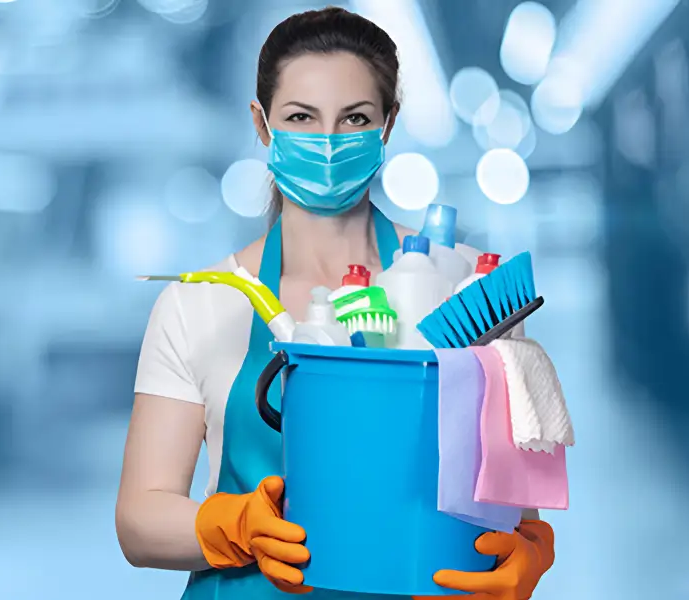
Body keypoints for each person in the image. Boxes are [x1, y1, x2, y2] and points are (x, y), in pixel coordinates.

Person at [114, 7, 556, 600]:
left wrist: (529, 550)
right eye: (301, 117)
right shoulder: (202, 304)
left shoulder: (466, 289)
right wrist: (232, 527)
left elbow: (514, 505)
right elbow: (139, 520)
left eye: (354, 119)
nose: (327, 142)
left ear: (387, 125)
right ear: (263, 124)